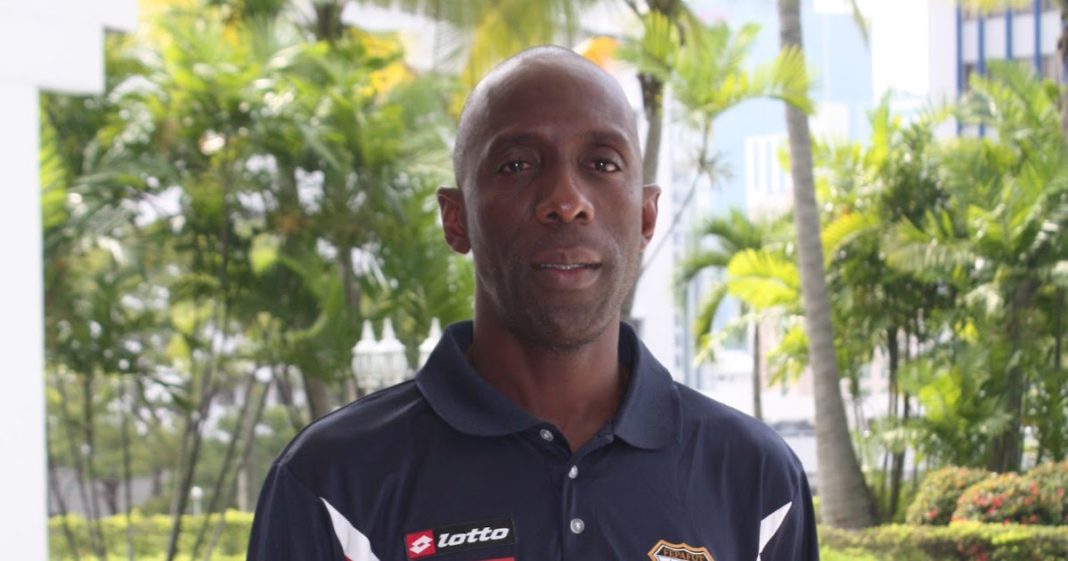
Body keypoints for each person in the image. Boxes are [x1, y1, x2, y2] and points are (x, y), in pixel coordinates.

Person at [247, 45, 819, 561]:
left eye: (602, 164)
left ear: (646, 216)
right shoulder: (332, 482)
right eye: (517, 165)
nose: (566, 201)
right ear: (456, 219)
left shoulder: (757, 483)